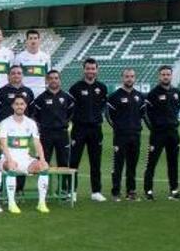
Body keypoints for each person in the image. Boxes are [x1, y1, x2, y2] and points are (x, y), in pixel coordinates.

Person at [0, 96, 51, 214]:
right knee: (12, 166)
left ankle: (41, 203)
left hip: (25, 158)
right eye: (16, 104)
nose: (19, 106)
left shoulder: (31, 123)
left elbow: (37, 143)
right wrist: (9, 159)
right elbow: (3, 144)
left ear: (25, 106)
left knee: (44, 167)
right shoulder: (5, 123)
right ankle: (12, 203)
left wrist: (42, 159)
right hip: (8, 158)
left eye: (22, 104)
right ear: (13, 106)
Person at [68, 58, 109, 202]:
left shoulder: (102, 88)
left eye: (93, 68)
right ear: (83, 69)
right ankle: (71, 191)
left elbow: (104, 106)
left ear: (97, 70)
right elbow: (70, 108)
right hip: (79, 129)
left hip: (95, 129)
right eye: (88, 68)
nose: (90, 71)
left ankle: (96, 191)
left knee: (95, 161)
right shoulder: (75, 87)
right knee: (73, 161)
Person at [31, 70, 75, 197]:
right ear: (46, 80)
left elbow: (71, 112)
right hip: (46, 135)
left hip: (62, 134)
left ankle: (63, 190)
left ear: (59, 80)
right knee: (43, 162)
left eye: (56, 78)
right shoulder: (40, 98)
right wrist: (43, 125)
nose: (53, 80)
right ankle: (43, 191)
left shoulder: (67, 97)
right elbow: (35, 115)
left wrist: (64, 122)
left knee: (63, 162)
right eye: (50, 78)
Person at [0, 65, 35, 194]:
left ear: (22, 75)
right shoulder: (2, 91)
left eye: (19, 73)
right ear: (8, 76)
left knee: (23, 157)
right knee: (4, 159)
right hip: (7, 132)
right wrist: (3, 125)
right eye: (13, 73)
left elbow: (32, 111)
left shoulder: (28, 91)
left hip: (23, 134)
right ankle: (1, 190)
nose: (16, 75)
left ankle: (19, 190)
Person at [143, 66, 180, 200]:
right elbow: (146, 114)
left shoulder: (176, 92)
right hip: (158, 134)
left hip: (173, 133)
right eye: (163, 74)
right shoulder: (153, 93)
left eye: (168, 74)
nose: (166, 77)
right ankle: (148, 191)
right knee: (151, 163)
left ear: (171, 76)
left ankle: (174, 190)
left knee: (173, 163)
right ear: (159, 76)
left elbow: (177, 109)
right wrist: (154, 129)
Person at [106, 68, 145, 201]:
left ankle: (131, 192)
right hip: (120, 136)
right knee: (118, 165)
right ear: (122, 78)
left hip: (135, 135)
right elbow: (109, 116)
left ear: (135, 78)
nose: (129, 79)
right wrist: (118, 128)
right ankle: (116, 192)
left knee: (132, 165)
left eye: (132, 76)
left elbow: (142, 114)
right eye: (127, 76)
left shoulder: (139, 96)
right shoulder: (114, 96)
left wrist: (136, 127)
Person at [13, 29, 51, 97]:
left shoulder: (46, 57)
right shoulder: (19, 57)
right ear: (26, 41)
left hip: (41, 91)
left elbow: (48, 76)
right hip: (25, 92)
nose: (33, 41)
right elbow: (16, 78)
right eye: (30, 38)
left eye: (35, 38)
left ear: (39, 40)